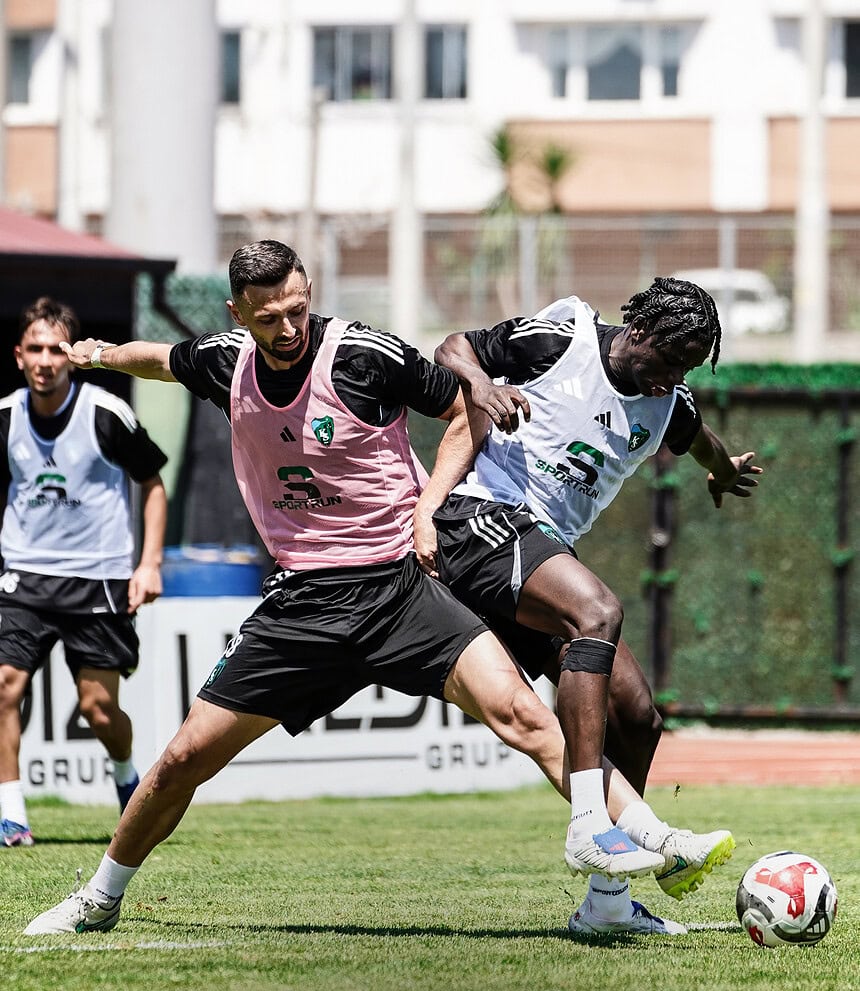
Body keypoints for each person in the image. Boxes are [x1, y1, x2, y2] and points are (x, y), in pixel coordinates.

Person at [26, 243, 720, 936]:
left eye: (297, 308)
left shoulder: (364, 353)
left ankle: (650, 837)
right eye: (268, 318)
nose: (288, 328)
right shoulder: (224, 360)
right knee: (182, 758)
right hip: (304, 602)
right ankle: (99, 897)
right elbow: (162, 359)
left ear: (308, 291)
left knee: (527, 717)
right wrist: (103, 355)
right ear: (239, 314)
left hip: (401, 588)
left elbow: (463, 410)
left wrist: (427, 510)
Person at [427, 278, 761, 935]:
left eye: (688, 369)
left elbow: (701, 440)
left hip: (541, 552)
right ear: (640, 331)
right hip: (483, 519)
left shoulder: (668, 404)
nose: (674, 379)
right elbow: (452, 346)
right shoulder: (565, 339)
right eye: (670, 361)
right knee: (599, 611)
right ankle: (588, 822)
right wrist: (482, 385)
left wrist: (722, 471)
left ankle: (607, 902)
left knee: (636, 715)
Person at [0, 297, 168, 847]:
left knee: (99, 710)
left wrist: (149, 564)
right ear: (19, 356)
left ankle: (124, 774)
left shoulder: (106, 413)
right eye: (35, 349)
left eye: (56, 350)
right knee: (3, 687)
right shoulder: (6, 417)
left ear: (71, 355)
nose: (45, 361)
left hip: (97, 579)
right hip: (23, 577)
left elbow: (152, 485)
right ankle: (11, 815)